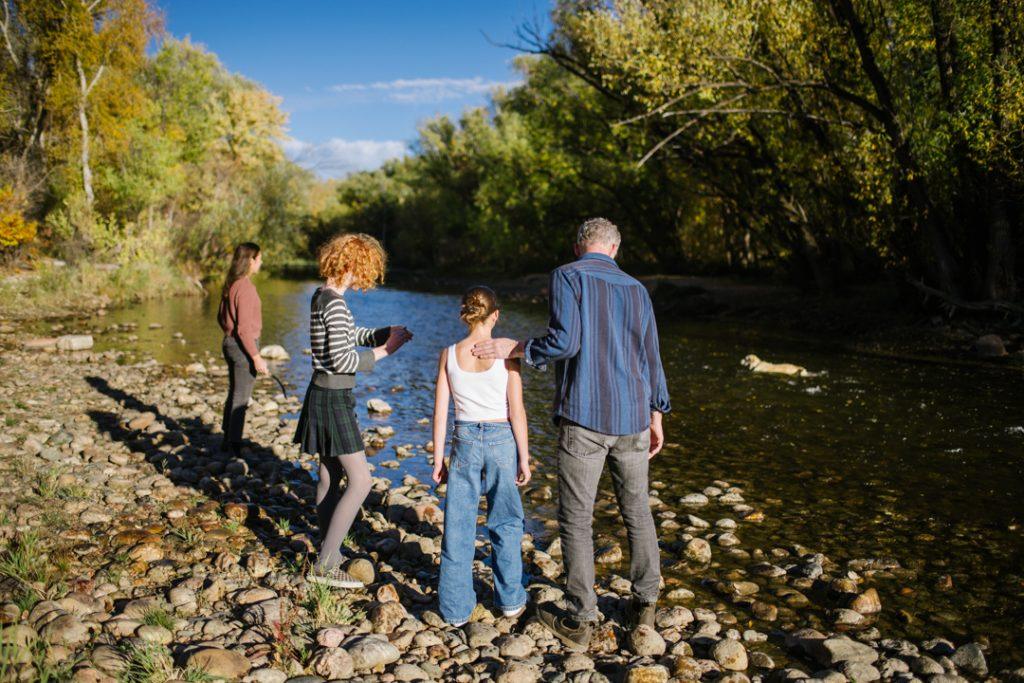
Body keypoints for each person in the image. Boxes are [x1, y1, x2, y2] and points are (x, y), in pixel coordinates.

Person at [473, 217, 671, 651]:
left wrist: (517, 347)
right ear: (615, 249)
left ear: (579, 245)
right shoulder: (637, 289)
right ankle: (645, 606)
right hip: (635, 417)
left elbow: (566, 343)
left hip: (585, 415)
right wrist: (658, 412)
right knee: (637, 511)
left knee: (577, 518)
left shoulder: (567, 275)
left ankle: (581, 618)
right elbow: (651, 354)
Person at [294, 233, 413, 588]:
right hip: (333, 398)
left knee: (330, 476)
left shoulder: (323, 296)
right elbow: (342, 359)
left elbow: (347, 336)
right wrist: (387, 350)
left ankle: (329, 551)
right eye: (365, 271)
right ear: (351, 266)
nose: (366, 279)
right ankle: (326, 563)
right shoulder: (334, 303)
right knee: (361, 481)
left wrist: (381, 333)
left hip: (323, 393)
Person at [431, 286, 531, 626]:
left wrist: (438, 459)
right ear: (495, 315)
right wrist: (524, 457)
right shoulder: (507, 354)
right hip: (501, 439)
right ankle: (510, 600)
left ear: (465, 314)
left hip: (464, 439)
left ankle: (455, 609)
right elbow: (517, 410)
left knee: (458, 523)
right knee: (506, 520)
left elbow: (440, 412)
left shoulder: (448, 353)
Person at [217, 242, 268, 455]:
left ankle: (227, 438)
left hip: (230, 343)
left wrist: (230, 334)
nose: (261, 263)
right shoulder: (245, 288)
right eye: (259, 259)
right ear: (250, 260)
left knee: (234, 392)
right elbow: (244, 329)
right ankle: (233, 445)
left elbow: (220, 318)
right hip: (242, 347)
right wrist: (256, 357)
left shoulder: (232, 283)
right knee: (241, 397)